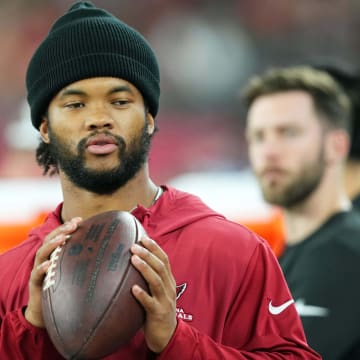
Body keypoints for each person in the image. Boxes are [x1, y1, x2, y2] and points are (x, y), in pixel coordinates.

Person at [0, 2, 320, 359]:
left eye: (120, 101)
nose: (99, 118)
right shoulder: (10, 274)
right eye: (75, 105)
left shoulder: (232, 252)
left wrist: (176, 341)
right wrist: (28, 334)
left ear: (149, 117)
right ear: (44, 127)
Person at [243, 65, 360, 359]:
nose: (268, 150)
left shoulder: (346, 253)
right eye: (258, 136)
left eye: (288, 133)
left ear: (336, 146)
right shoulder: (283, 258)